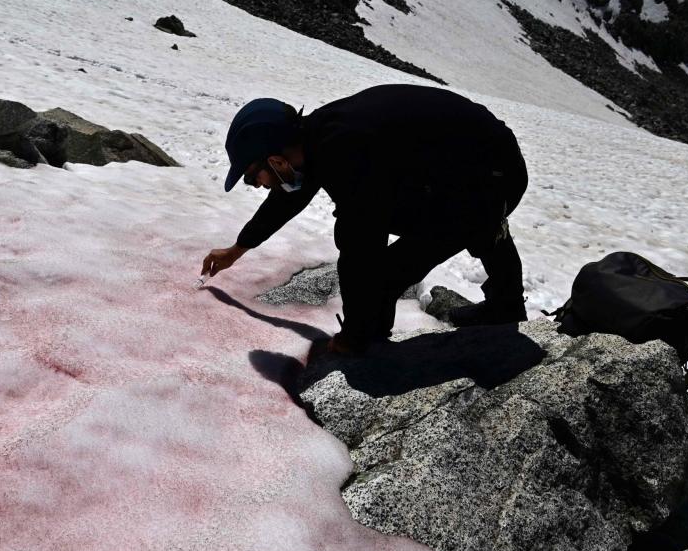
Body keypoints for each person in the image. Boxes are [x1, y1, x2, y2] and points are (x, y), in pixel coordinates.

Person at [201, 84, 529, 354]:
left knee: (381, 266)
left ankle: (501, 303)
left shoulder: (345, 153)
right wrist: (237, 249)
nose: (256, 184)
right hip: (481, 163)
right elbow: (287, 200)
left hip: (494, 174)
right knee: (395, 224)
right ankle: (503, 295)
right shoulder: (316, 137)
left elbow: (360, 246)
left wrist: (353, 337)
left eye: (251, 176)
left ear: (276, 161)